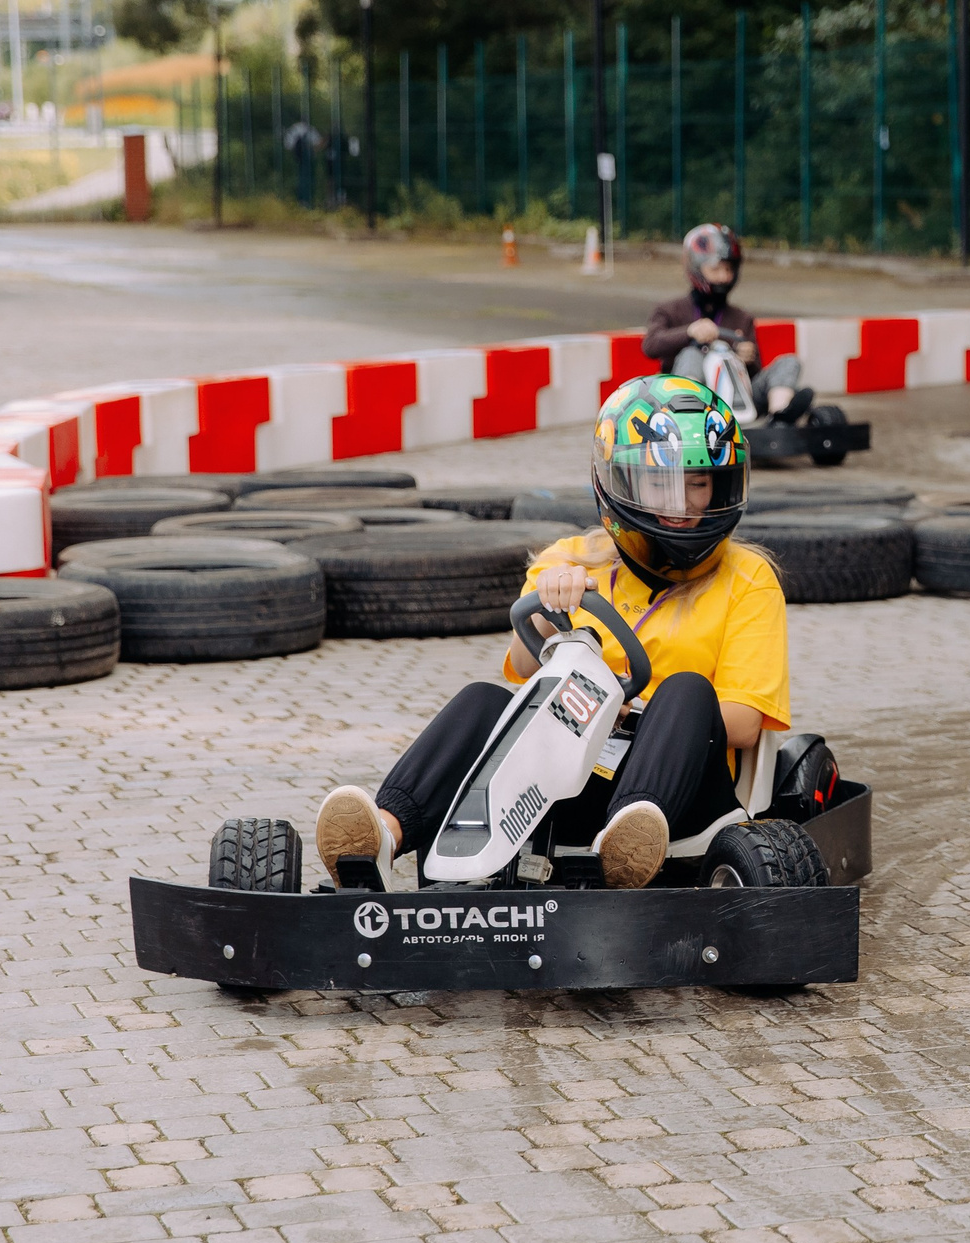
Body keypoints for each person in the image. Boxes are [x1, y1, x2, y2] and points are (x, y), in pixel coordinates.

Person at [314, 375, 790, 889]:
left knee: (686, 690)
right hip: (570, 776)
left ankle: (627, 844)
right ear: (620, 483)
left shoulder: (748, 578)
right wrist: (548, 605)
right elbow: (523, 667)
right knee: (484, 700)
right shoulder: (570, 559)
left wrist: (629, 710)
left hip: (683, 787)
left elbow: (744, 724)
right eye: (661, 484)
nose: (682, 505)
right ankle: (381, 837)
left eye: (697, 484)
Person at [641, 223, 812, 421]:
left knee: (789, 362)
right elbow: (650, 346)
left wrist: (747, 357)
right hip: (691, 402)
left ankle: (779, 419)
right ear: (696, 268)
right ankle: (690, 417)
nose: (723, 277)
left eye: (728, 269)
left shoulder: (742, 318)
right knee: (691, 354)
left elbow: (755, 372)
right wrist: (689, 332)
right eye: (715, 269)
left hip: (739, 398)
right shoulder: (669, 310)